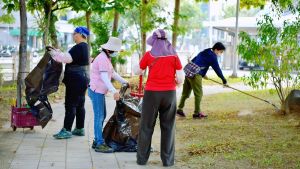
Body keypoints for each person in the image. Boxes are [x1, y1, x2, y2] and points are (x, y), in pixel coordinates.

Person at [134, 29, 183, 167]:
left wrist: (141, 65)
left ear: (154, 41)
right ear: (167, 40)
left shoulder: (149, 55)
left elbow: (138, 70)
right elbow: (180, 77)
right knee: (168, 127)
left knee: (146, 126)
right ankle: (167, 161)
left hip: (151, 94)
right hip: (169, 94)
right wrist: (177, 83)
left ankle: (142, 160)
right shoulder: (174, 56)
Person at [88, 37, 128, 153]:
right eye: (116, 50)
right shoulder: (102, 58)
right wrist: (114, 91)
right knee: (99, 116)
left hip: (99, 91)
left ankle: (97, 140)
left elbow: (112, 73)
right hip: (96, 91)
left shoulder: (106, 57)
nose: (117, 52)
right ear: (110, 50)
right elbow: (105, 77)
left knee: (102, 114)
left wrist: (124, 81)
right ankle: (99, 143)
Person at [49, 26, 90, 139]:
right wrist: (57, 52)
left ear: (80, 34)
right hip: (83, 78)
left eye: (74, 33)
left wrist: (54, 53)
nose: (73, 35)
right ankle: (79, 128)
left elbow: (67, 59)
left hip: (75, 79)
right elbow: (69, 57)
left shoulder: (78, 47)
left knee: (71, 104)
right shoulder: (85, 47)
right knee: (80, 104)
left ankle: (66, 130)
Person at [177, 42, 227, 118]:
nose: (221, 53)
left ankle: (179, 109)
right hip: (196, 75)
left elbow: (196, 60)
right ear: (216, 50)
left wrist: (203, 74)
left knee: (185, 93)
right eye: (221, 52)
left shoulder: (205, 51)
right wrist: (224, 80)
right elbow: (217, 69)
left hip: (188, 72)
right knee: (199, 94)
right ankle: (197, 113)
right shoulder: (213, 56)